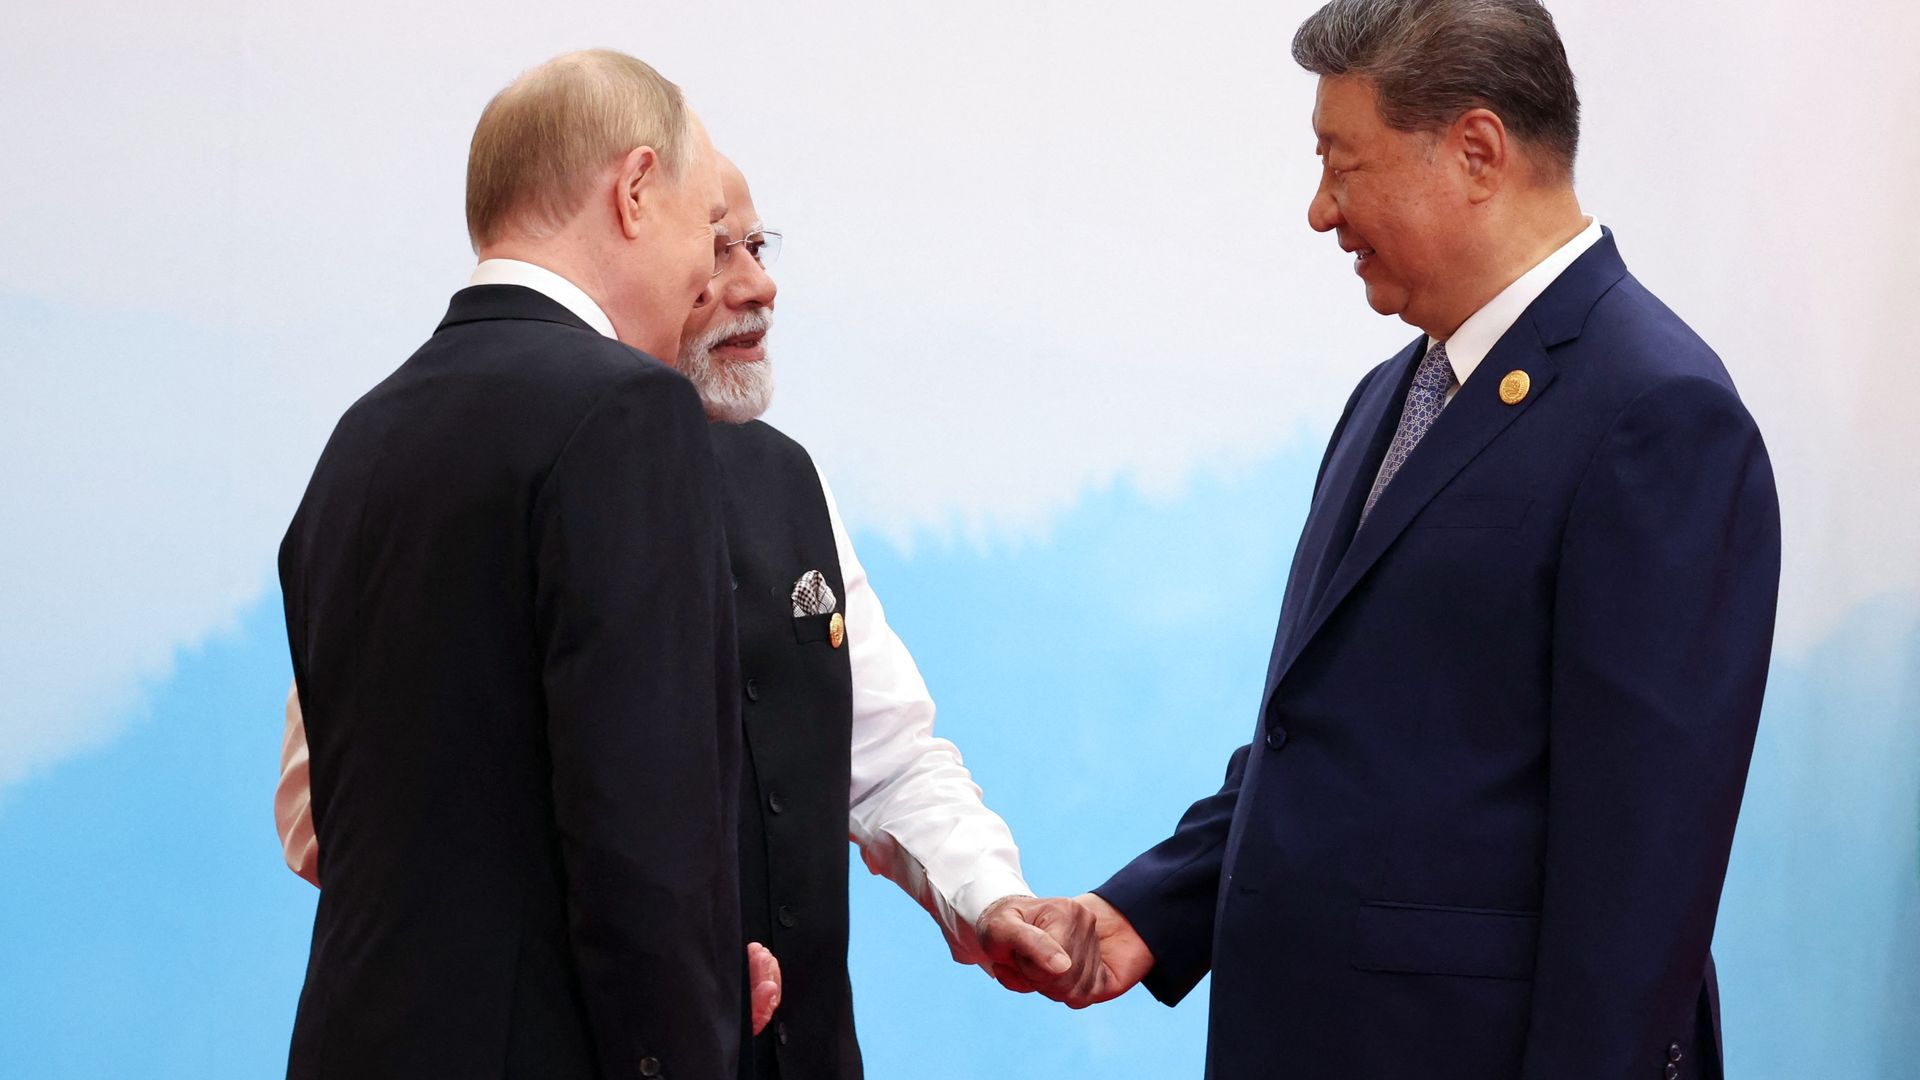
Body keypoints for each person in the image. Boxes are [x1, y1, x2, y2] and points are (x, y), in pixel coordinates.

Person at [1047, 3, 1783, 1078]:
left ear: (1477, 151)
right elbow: (1334, 739)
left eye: (1342, 165)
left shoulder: (1658, 414)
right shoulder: (1389, 397)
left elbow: (1641, 874)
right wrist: (1152, 909)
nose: (1320, 211)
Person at [276, 155, 1099, 1079]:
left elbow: (889, 756)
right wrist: (661, 968)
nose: (757, 286)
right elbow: (332, 816)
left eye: (758, 246)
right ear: (637, 248)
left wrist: (990, 897)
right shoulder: (466, 472)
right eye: (715, 251)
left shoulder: (788, 479)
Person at [276, 50, 760, 1079]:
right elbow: (645, 840)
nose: (705, 282)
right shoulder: (629, 411)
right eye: (705, 228)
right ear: (635, 190)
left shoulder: (361, 436)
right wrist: (692, 1029)